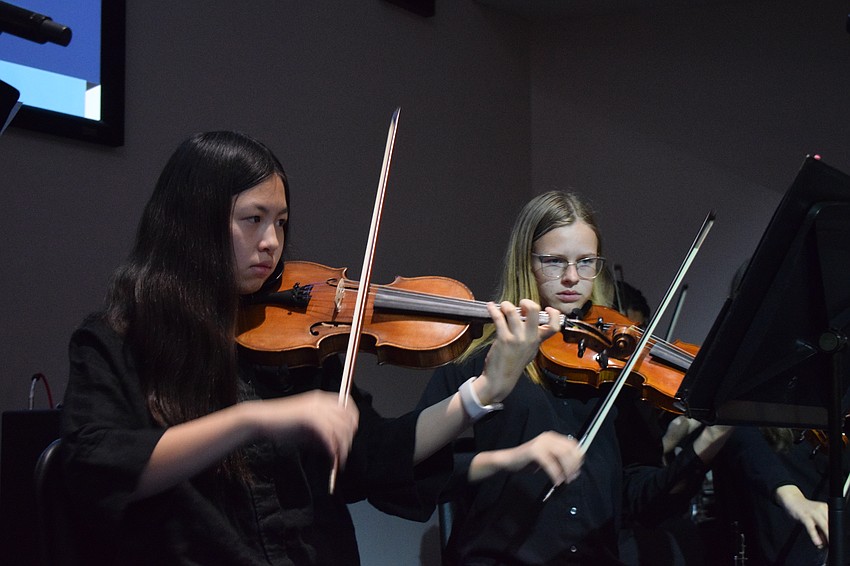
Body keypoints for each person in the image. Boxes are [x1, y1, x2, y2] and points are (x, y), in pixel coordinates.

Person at [58, 131, 562, 565]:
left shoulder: (294, 335)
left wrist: (484, 389)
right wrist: (254, 419)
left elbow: (372, 458)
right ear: (193, 222)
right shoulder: (120, 340)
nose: (272, 242)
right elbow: (98, 471)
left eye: (280, 222)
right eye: (252, 219)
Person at [417, 190, 732, 565]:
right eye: (554, 262)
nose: (571, 278)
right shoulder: (479, 360)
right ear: (526, 262)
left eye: (586, 262)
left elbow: (636, 500)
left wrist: (707, 444)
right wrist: (510, 458)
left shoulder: (616, 363)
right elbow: (417, 475)